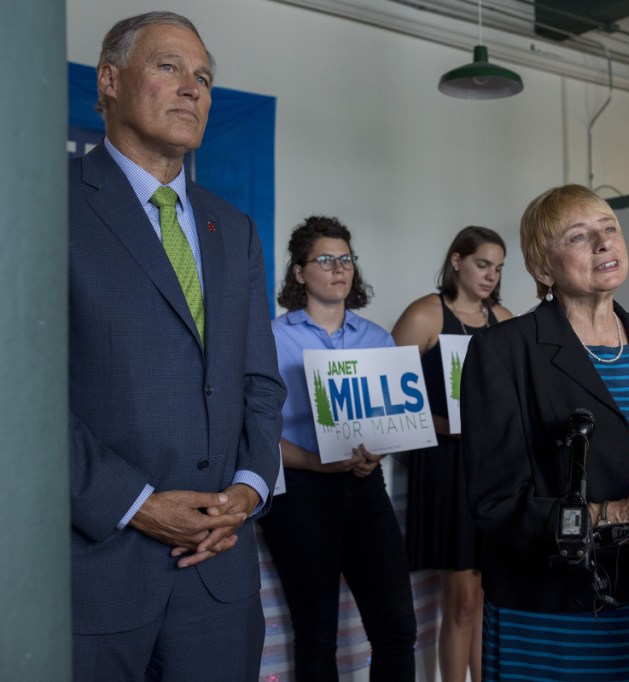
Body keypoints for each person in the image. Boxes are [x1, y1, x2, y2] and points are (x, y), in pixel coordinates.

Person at [68, 12, 286, 680]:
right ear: (108, 81)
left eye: (205, 78)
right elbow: (16, 395)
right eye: (169, 67)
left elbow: (259, 384)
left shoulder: (235, 229)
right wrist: (133, 503)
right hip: (94, 570)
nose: (193, 88)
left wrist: (248, 491)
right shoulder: (46, 207)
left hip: (219, 577)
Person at [460, 184, 629, 682]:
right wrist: (624, 512)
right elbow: (496, 506)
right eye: (579, 236)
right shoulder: (503, 350)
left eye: (609, 229)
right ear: (543, 269)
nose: (604, 243)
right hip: (549, 613)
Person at [258, 216, 417, 681]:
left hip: (365, 488)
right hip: (300, 495)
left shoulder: (377, 339)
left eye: (345, 258)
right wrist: (314, 462)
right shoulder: (270, 338)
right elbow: (256, 430)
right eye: (324, 259)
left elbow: (392, 421)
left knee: (396, 628)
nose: (338, 267)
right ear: (298, 272)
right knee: (316, 635)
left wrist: (376, 454)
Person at [392, 226, 514, 682]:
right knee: (461, 599)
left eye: (499, 268)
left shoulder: (504, 318)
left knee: (487, 596)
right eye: (484, 264)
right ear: (457, 261)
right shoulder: (425, 315)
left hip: (495, 472)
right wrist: (454, 428)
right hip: (445, 469)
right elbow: (389, 399)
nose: (491, 275)